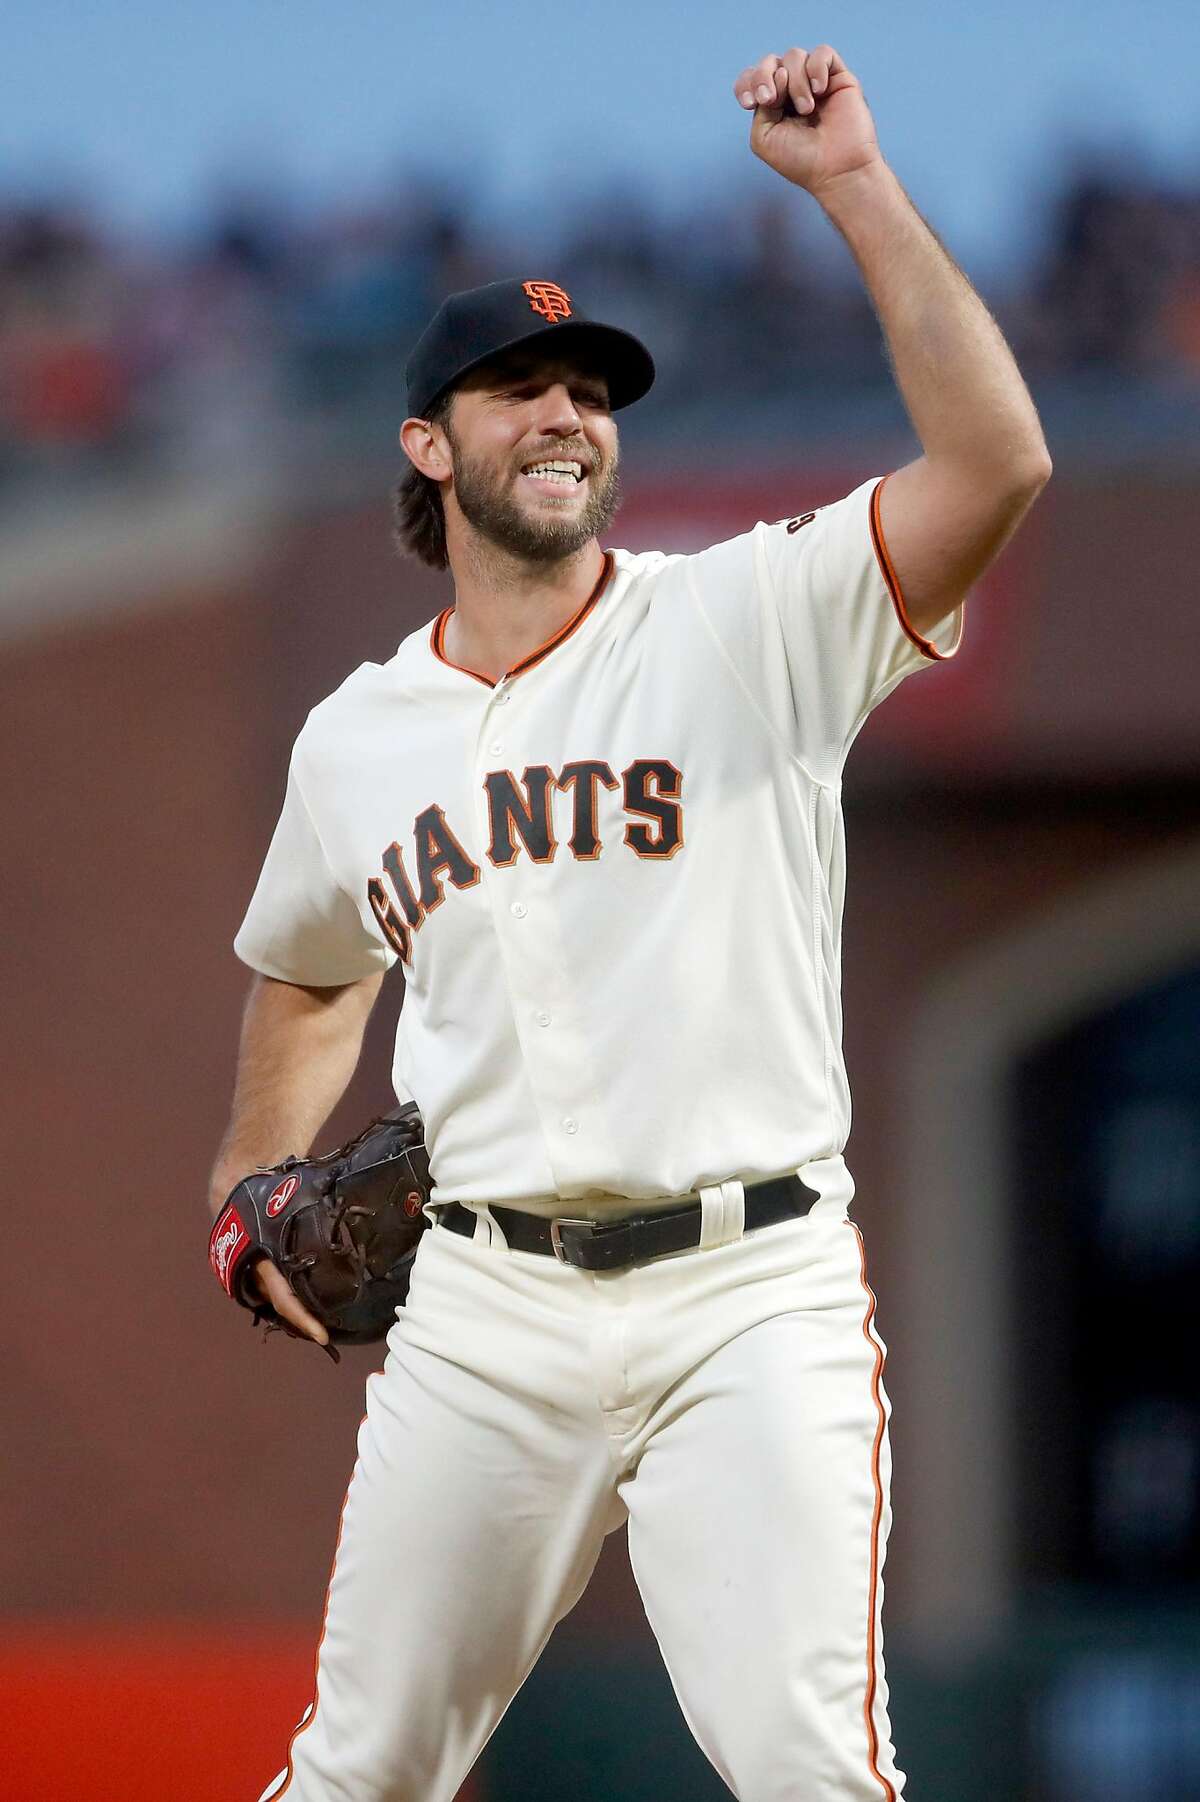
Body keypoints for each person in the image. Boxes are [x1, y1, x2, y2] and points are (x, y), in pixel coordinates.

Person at [210, 43, 1050, 1802]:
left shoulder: (743, 619)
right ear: (431, 447)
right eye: (519, 388)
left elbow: (998, 462)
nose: (567, 412)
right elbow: (303, 969)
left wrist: (852, 190)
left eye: (590, 385)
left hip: (750, 1292)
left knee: (816, 1772)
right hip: (485, 1311)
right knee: (355, 1772)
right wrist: (248, 1185)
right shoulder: (357, 737)